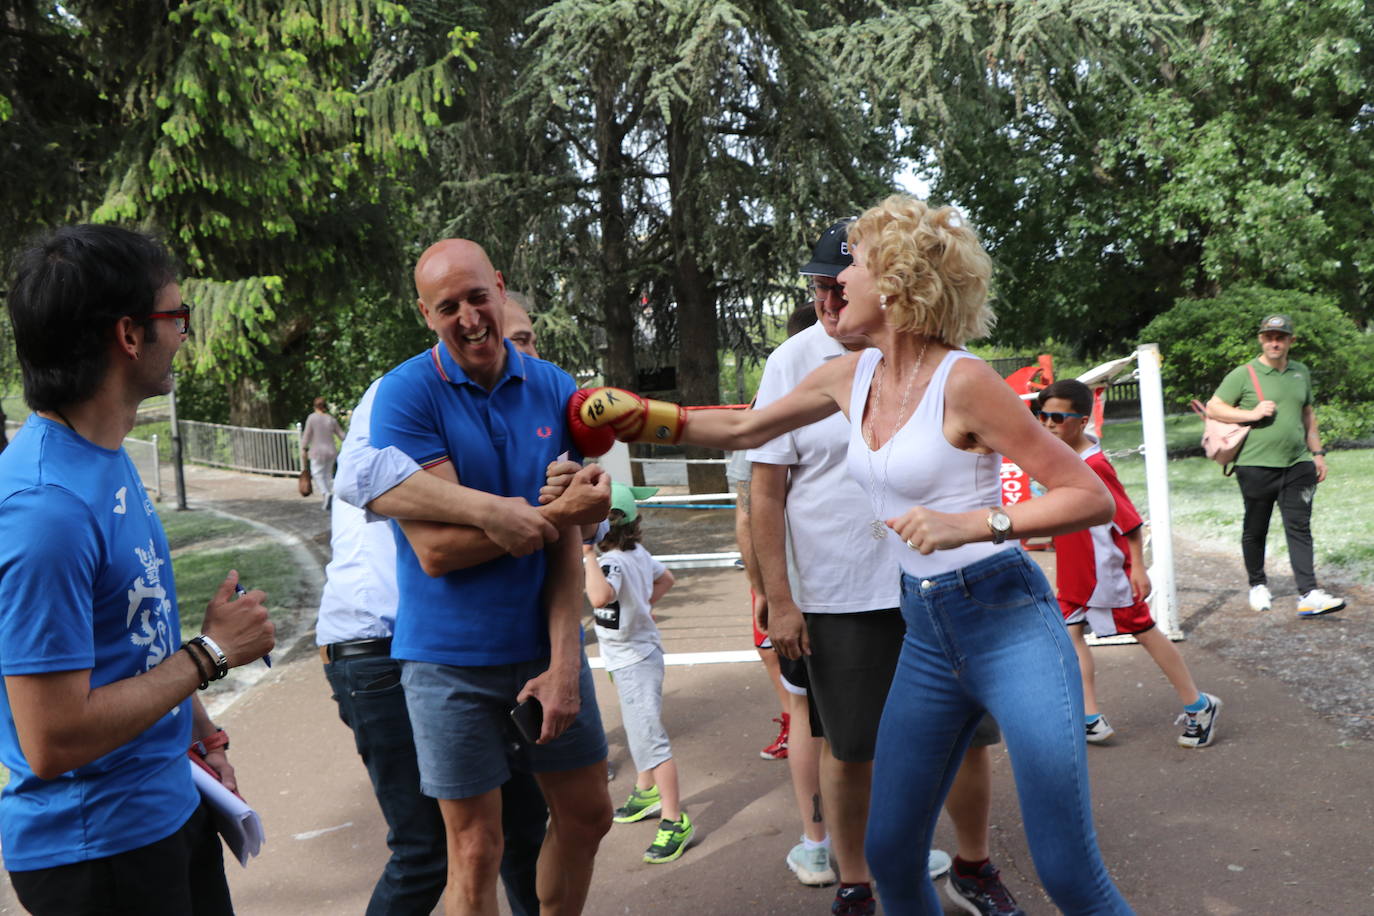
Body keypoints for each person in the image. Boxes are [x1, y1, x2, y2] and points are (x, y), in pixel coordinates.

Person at [571, 194, 1132, 913]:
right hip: (927, 629)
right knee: (890, 857)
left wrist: (973, 524)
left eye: (853, 267)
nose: (833, 284)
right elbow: (748, 432)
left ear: (897, 281)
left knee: (1064, 868)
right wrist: (647, 418)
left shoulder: (964, 380)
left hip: (1006, 621)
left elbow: (1087, 497)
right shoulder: (849, 375)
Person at [0, 224, 275, 914]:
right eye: (175, 317)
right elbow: (52, 738)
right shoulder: (45, 511)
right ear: (129, 335)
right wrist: (212, 653)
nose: (184, 334)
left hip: (169, 807)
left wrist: (201, 731)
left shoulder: (106, 454)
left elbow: (135, 644)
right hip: (99, 852)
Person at [750, 221, 1013, 915]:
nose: (825, 304)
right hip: (841, 588)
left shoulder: (946, 361)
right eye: (815, 289)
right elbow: (765, 485)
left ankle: (973, 865)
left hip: (943, 581)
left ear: (888, 286)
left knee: (968, 736)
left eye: (838, 286)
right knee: (850, 744)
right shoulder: (797, 362)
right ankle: (856, 882)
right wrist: (778, 595)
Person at [369, 238, 613, 916]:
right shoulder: (405, 395)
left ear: (500, 287)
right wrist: (552, 511)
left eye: (478, 297)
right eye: (448, 307)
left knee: (589, 816)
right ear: (426, 314)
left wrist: (567, 664)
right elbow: (437, 551)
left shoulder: (555, 387)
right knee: (475, 850)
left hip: (544, 645)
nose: (469, 317)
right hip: (447, 660)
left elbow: (571, 538)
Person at [1036, 380, 1222, 749]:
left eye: (1058, 417)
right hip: (1075, 571)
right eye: (1042, 416)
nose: (1048, 423)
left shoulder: (1096, 465)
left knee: (1144, 630)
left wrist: (1137, 565)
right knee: (1069, 633)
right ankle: (1089, 716)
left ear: (1081, 420)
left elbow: (1129, 519)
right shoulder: (1061, 457)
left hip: (1103, 569)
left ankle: (1199, 705)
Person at [583, 482, 694, 863]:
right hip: (633, 655)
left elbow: (599, 597)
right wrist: (645, 606)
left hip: (633, 661)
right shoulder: (638, 553)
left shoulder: (609, 562)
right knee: (637, 727)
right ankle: (646, 791)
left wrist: (585, 554)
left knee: (650, 738)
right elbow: (667, 579)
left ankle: (674, 820)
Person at [1205, 315, 1344, 618]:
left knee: (1299, 527)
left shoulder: (1300, 372)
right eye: (1269, 336)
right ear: (1260, 339)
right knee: (1256, 527)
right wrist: (1252, 413)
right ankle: (1257, 584)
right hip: (1255, 465)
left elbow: (1308, 414)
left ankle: (1308, 594)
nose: (1274, 342)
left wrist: (1317, 453)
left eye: (1280, 337)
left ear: (1291, 341)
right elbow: (1214, 407)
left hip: (1297, 465)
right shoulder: (1243, 374)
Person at [729, 442, 792, 760]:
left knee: (781, 657)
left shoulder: (764, 415)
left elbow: (746, 518)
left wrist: (762, 591)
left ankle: (793, 726)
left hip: (785, 575)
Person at [302, 395, 346, 510]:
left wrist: (303, 447)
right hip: (331, 451)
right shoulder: (330, 419)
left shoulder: (312, 418)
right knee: (327, 475)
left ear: (314, 406)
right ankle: (330, 495)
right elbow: (342, 435)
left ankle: (326, 494)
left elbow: (307, 435)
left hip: (317, 451)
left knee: (317, 474)